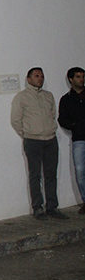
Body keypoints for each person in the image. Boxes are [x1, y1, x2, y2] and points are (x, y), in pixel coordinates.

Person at [12, 68, 68, 220]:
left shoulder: (48, 96)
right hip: (33, 140)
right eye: (36, 76)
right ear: (28, 79)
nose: (40, 78)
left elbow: (53, 114)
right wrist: (27, 133)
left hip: (50, 139)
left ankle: (52, 207)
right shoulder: (22, 97)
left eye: (42, 76)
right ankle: (37, 207)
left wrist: (49, 129)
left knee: (51, 174)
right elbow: (15, 120)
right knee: (35, 175)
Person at [58, 66, 85, 214]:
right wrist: (75, 126)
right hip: (79, 139)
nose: (81, 80)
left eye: (83, 76)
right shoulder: (66, 99)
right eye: (78, 77)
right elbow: (62, 119)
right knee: (80, 171)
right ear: (71, 79)